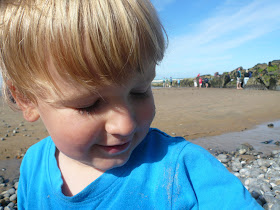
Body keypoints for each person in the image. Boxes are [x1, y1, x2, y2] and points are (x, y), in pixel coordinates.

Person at [0, 0, 261, 209]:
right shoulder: (33, 164)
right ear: (26, 98)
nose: (125, 125)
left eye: (140, 91)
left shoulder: (184, 169)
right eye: (90, 104)